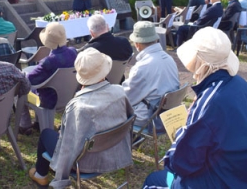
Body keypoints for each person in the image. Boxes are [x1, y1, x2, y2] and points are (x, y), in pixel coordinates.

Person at [143, 27, 247, 189]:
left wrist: (183, 129)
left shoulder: (210, 101)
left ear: (199, 63)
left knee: (153, 180)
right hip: (245, 174)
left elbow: (181, 163)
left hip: (222, 181)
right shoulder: (240, 84)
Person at [28, 48, 133, 187]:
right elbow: (129, 120)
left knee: (46, 134)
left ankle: (41, 174)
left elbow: (67, 148)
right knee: (60, 131)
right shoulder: (120, 91)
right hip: (115, 151)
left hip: (85, 162)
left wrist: (61, 178)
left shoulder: (79, 107)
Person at [19, 23, 77, 135]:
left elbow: (29, 81)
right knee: (41, 85)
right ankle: (38, 122)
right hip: (69, 94)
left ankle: (24, 125)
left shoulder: (48, 61)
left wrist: (23, 74)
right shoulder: (73, 52)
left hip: (49, 99)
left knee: (20, 90)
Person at [122, 21, 179, 127]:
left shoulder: (142, 67)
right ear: (156, 39)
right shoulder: (169, 59)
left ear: (137, 44)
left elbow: (127, 99)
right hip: (168, 115)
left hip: (149, 118)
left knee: (112, 109)